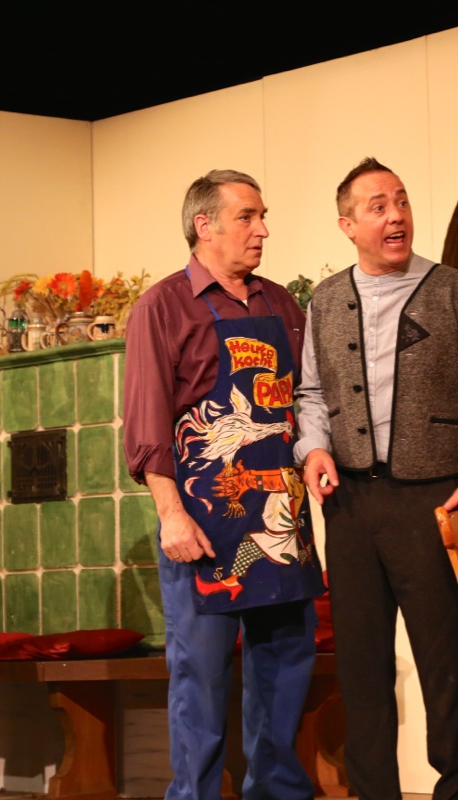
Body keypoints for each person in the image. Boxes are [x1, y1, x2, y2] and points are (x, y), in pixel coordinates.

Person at [295, 157, 458, 800]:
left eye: (401, 201)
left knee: (443, 658)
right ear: (347, 225)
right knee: (361, 662)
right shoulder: (325, 300)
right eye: (378, 206)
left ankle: (457, 789)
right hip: (351, 502)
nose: (395, 216)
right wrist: (313, 449)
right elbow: (310, 393)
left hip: (431, 496)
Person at [122, 169, 326, 800]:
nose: (262, 230)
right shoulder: (162, 307)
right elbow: (148, 423)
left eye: (263, 217)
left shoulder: (280, 304)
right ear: (203, 225)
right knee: (202, 678)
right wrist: (171, 514)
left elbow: (305, 400)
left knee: (285, 669)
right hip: (203, 522)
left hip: (281, 516)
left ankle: (278, 793)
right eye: (247, 217)